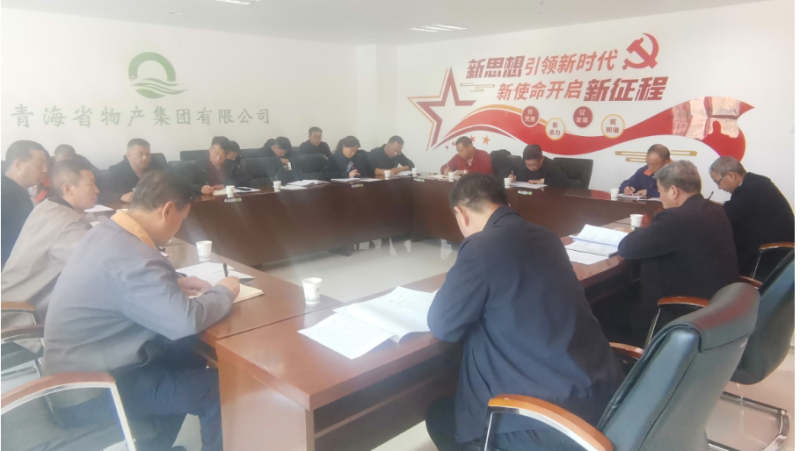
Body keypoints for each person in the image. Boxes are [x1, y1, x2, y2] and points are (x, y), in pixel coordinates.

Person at [43, 170, 239, 451]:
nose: (179, 226)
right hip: (92, 391)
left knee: (187, 352)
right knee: (218, 388)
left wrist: (173, 280)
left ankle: (154, 445)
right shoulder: (136, 258)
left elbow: (119, 280)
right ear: (168, 210)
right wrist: (224, 292)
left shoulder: (107, 231)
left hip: (75, 374)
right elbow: (185, 319)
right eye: (182, 218)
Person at [426, 173, 624, 451]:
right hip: (603, 395)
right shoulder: (547, 236)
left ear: (461, 213)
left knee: (441, 418)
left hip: (551, 419)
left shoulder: (481, 246)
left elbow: (443, 325)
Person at [618, 160, 739, 343]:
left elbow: (627, 248)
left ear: (673, 191)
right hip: (716, 304)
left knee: (611, 309)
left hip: (679, 311)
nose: (660, 197)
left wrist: (639, 231)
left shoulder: (675, 218)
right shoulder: (715, 209)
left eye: (660, 191)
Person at [2, 160, 98, 330]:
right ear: (68, 189)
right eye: (91, 184)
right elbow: (101, 266)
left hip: (11, 300)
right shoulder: (66, 226)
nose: (97, 190)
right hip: (24, 318)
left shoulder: (48, 206)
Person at [709, 156, 795, 275]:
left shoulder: (748, 190)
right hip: (779, 250)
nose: (719, 187)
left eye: (718, 182)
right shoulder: (757, 182)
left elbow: (727, 215)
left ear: (731, 175)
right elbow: (735, 208)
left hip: (768, 256)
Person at [2, 140, 49, 265]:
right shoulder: (11, 196)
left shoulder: (9, 188)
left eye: (45, 163)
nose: (45, 169)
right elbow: (35, 238)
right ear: (18, 165)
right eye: (39, 164)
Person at [101, 138, 158, 204]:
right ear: (128, 155)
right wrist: (121, 196)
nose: (145, 158)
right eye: (141, 154)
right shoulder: (116, 171)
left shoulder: (154, 170)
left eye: (148, 154)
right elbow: (103, 194)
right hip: (126, 207)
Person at [188, 136, 253, 195]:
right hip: (207, 200)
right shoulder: (197, 166)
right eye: (216, 153)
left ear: (227, 155)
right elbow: (187, 184)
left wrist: (225, 185)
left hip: (228, 200)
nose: (218, 158)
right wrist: (200, 189)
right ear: (210, 150)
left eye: (223, 155)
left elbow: (245, 180)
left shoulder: (231, 165)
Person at [506, 144, 580, 187]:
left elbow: (563, 182)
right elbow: (509, 169)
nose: (530, 168)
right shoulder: (521, 163)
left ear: (541, 159)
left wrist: (543, 181)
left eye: (533, 165)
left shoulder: (552, 166)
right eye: (527, 165)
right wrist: (511, 175)